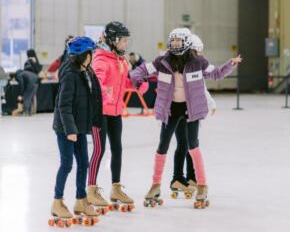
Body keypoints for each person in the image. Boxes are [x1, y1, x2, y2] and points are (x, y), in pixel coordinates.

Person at [130, 28, 242, 209]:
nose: (174, 45)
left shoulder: (198, 62)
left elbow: (217, 73)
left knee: (193, 146)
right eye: (172, 41)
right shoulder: (162, 61)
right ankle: (155, 185)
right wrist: (137, 81)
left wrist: (231, 63)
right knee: (162, 146)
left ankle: (202, 185)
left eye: (178, 42)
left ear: (187, 43)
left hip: (191, 110)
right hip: (171, 109)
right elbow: (140, 71)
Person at [50, 36, 101, 227]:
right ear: (83, 55)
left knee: (83, 164)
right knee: (67, 165)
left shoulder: (84, 71)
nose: (93, 56)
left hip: (79, 127)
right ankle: (57, 201)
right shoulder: (70, 74)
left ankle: (80, 199)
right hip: (66, 128)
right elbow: (63, 105)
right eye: (91, 53)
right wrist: (70, 130)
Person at [87, 21, 136, 212]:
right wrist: (107, 95)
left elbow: (122, 84)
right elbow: (96, 86)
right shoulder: (100, 59)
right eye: (123, 41)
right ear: (113, 40)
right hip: (100, 113)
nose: (125, 44)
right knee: (100, 150)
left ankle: (116, 188)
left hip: (115, 112)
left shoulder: (120, 60)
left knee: (118, 149)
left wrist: (138, 86)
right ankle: (91, 190)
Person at [171, 33, 217, 197]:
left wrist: (210, 103)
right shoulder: (185, 65)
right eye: (197, 52)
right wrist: (211, 103)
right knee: (188, 144)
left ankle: (189, 177)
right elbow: (201, 88)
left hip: (190, 110)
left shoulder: (192, 65)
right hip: (182, 110)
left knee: (188, 145)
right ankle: (181, 177)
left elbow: (202, 87)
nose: (199, 55)